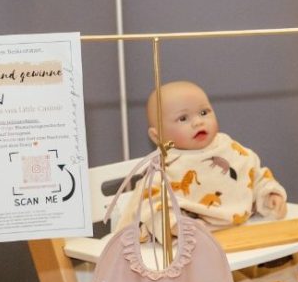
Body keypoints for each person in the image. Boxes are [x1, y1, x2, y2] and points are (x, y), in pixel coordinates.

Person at [114, 80, 287, 231]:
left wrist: (270, 196)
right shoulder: (165, 167)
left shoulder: (230, 148)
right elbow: (150, 206)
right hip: (194, 241)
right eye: (183, 118)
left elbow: (255, 176)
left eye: (204, 112)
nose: (198, 122)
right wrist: (172, 226)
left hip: (243, 231)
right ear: (157, 136)